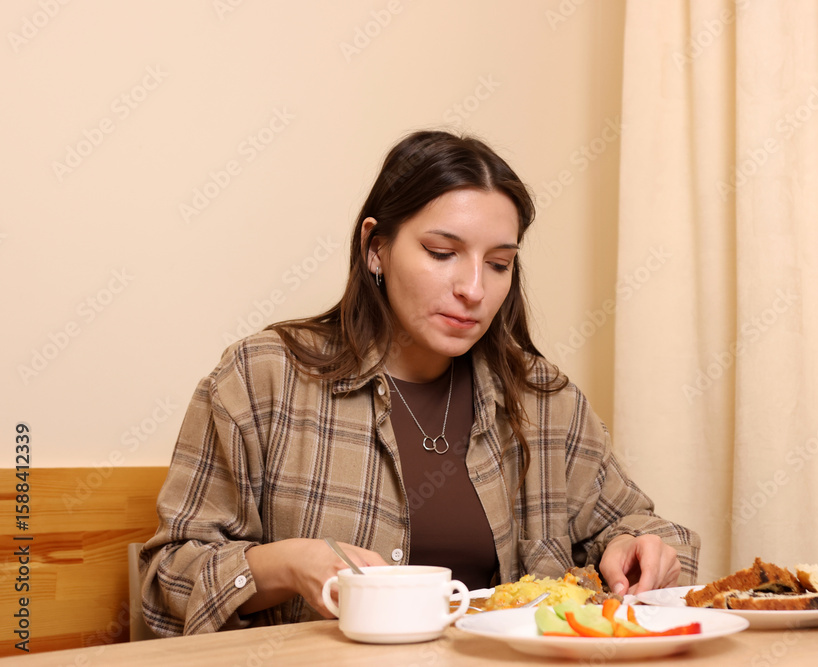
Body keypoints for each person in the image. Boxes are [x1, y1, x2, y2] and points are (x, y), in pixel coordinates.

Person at [139, 130, 700, 636]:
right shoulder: (265, 378)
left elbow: (643, 529)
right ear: (375, 248)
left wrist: (638, 549)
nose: (474, 289)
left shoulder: (545, 403)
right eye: (442, 253)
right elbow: (167, 582)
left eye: (499, 264)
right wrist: (286, 564)